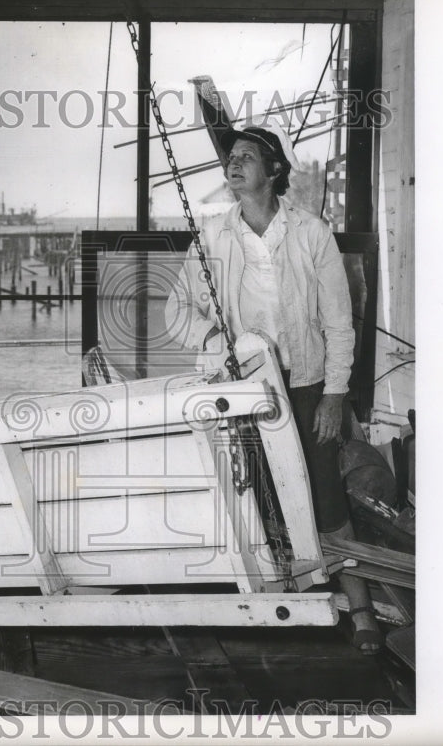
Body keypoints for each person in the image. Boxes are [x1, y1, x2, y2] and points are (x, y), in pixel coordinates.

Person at [164, 125, 383, 654]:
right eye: (230, 158)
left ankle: (360, 609)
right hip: (242, 389)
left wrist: (335, 394)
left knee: (327, 496)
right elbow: (176, 312)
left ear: (274, 170)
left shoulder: (311, 233)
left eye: (246, 158)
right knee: (254, 496)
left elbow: (337, 323)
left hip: (305, 386)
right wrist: (217, 339)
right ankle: (276, 606)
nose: (233, 165)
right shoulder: (212, 236)